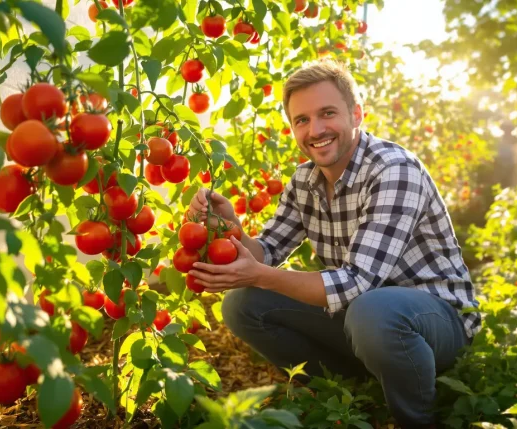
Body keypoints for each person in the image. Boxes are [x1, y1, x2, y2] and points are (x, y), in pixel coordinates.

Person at [186, 59, 480, 429]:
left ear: (356, 114)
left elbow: (357, 283)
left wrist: (259, 275)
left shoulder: (394, 170)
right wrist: (232, 230)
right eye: (302, 120)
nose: (315, 130)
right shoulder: (304, 181)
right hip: (365, 319)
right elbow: (269, 250)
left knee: (372, 310)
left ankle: (417, 419)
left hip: (437, 322)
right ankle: (349, 390)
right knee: (243, 304)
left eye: (327, 113)